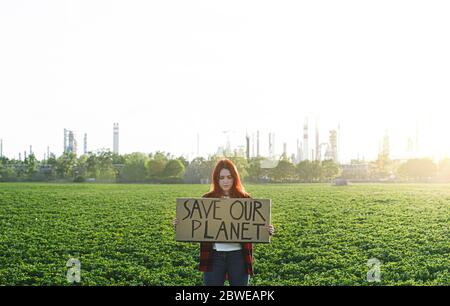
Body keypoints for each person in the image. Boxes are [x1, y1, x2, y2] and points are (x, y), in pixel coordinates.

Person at [173, 158, 274, 286]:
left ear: (235, 178)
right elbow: (197, 229)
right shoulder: (207, 199)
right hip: (213, 256)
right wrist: (182, 225)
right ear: (217, 179)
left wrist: (268, 230)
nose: (225, 181)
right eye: (221, 177)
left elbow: (254, 225)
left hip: (238, 257)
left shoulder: (246, 199)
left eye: (229, 177)